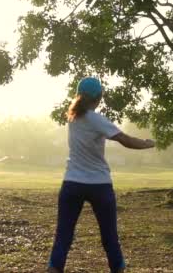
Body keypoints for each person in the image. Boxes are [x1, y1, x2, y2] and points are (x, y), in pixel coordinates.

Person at [47, 77, 155, 273]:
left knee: (63, 237)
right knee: (109, 237)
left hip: (72, 183)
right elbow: (125, 140)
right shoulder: (96, 119)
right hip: (99, 185)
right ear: (99, 98)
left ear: (79, 95)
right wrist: (147, 144)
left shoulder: (72, 117)